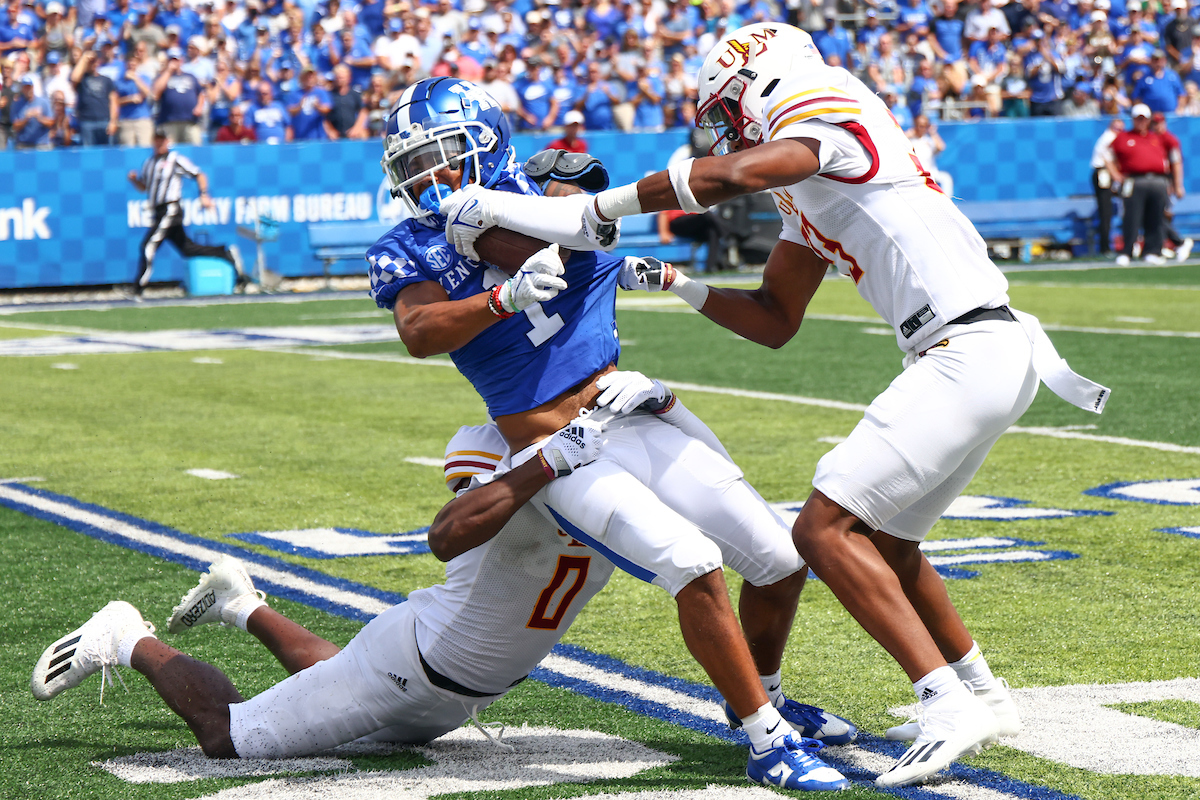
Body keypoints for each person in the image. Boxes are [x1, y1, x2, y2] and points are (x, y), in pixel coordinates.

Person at [463, 22, 1110, 788]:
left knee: (821, 530)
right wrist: (681, 284)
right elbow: (775, 318)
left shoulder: (831, 110)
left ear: (756, 85)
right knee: (890, 543)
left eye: (726, 112)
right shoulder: (813, 186)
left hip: (968, 348)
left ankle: (944, 702)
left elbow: (732, 174)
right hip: (982, 351)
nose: (726, 130)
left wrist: (602, 209)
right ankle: (984, 694)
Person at [370, 77, 855, 793]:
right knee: (692, 561)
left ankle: (764, 697)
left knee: (781, 561)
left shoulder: (543, 191)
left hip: (626, 407)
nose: (426, 176)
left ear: (486, 145)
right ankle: (766, 740)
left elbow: (589, 231)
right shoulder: (406, 245)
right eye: (412, 164)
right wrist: (500, 297)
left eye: (438, 155)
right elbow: (419, 331)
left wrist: (494, 220)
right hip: (557, 446)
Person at [29, 417, 612, 756]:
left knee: (349, 687)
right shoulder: (517, 480)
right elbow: (454, 526)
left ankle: (240, 604)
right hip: (415, 664)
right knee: (227, 736)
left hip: (464, 690)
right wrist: (551, 455)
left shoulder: (602, 480)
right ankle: (125, 638)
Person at [127, 129, 246, 297]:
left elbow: (199, 174)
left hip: (170, 209)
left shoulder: (175, 159)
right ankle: (224, 253)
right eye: (156, 139)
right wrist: (134, 181)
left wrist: (204, 195)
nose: (159, 143)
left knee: (148, 246)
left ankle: (138, 288)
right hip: (158, 211)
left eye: (162, 139)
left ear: (167, 141)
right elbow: (144, 187)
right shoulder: (149, 162)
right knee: (187, 249)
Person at [1107, 103, 1172, 265]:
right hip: (1134, 180)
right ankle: (1127, 251)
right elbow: (1107, 156)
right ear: (1133, 119)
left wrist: (1173, 183)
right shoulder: (1123, 138)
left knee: (1156, 217)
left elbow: (1173, 156)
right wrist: (1116, 175)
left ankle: (1152, 251)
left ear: (1149, 120)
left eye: (1144, 119)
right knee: (1132, 217)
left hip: (1157, 180)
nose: (1141, 122)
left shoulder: (1157, 137)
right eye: (1138, 119)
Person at [1151, 111, 1193, 261]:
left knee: (1160, 213)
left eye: (1158, 123)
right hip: (1154, 179)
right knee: (1155, 214)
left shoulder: (1169, 139)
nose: (1156, 126)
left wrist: (1177, 185)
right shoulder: (1151, 137)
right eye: (1154, 123)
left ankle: (1178, 242)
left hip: (1165, 180)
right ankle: (1163, 244)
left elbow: (1176, 163)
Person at [1090, 117, 1124, 255]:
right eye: (1117, 128)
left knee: (1107, 211)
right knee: (1106, 211)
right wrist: (1116, 175)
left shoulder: (1109, 137)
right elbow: (1106, 158)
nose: (1119, 131)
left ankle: (1106, 245)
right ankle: (1105, 247)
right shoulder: (1109, 137)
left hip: (1105, 173)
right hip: (1103, 172)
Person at [70, 49, 118, 145]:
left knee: (107, 151)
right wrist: (84, 58)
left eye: (94, 61)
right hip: (87, 122)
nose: (92, 63)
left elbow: (113, 101)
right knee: (88, 152)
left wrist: (113, 121)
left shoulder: (106, 80)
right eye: (90, 62)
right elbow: (74, 78)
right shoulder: (82, 80)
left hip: (104, 121)